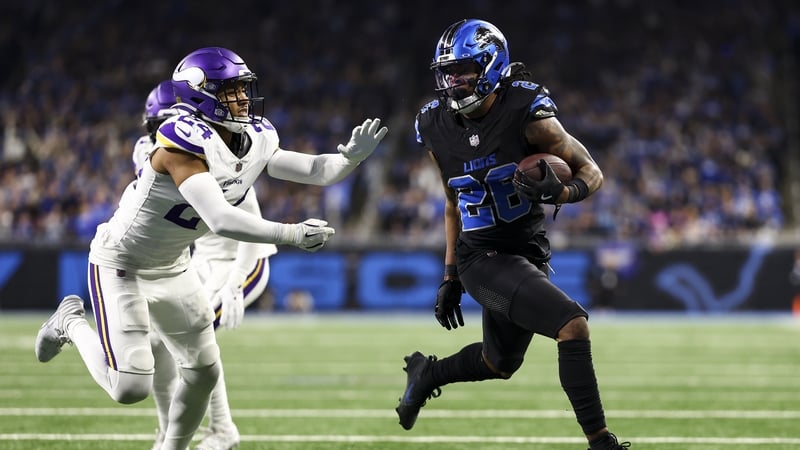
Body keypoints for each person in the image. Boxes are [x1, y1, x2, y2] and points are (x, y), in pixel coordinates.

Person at [35, 46, 388, 450]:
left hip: (174, 266)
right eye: (230, 91)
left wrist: (347, 161)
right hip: (123, 263)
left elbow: (312, 169)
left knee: (202, 370)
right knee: (130, 387)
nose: (242, 98)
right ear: (200, 96)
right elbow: (220, 219)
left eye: (242, 88)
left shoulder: (253, 137)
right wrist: (291, 235)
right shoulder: (178, 144)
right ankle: (71, 323)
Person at [395, 19, 629, 450]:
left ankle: (426, 375)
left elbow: (591, 172)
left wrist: (564, 191)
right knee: (572, 325)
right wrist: (451, 277)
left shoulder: (526, 111)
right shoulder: (433, 125)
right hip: (481, 257)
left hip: (528, 252)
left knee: (497, 362)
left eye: (462, 70)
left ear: (490, 64)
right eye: (446, 72)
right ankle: (602, 443)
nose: (453, 81)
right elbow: (452, 203)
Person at [136, 80, 277, 450]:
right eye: (157, 129)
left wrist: (234, 283)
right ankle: (168, 428)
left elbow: (253, 227)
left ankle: (222, 430)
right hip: (199, 260)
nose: (165, 137)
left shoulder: (216, 151)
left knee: (191, 340)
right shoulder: (154, 154)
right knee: (155, 341)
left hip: (241, 258)